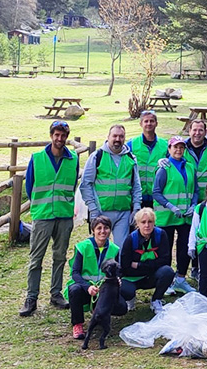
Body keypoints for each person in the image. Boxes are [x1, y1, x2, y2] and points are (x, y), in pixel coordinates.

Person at [20, 120, 79, 317]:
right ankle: (31, 297)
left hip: (63, 215)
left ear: (66, 138)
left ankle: (56, 293)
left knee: (60, 257)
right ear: (51, 135)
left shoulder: (73, 160)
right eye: (56, 135)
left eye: (63, 135)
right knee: (36, 259)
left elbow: (72, 187)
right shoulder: (37, 158)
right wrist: (40, 204)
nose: (59, 138)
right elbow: (29, 187)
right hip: (43, 215)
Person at [66, 215, 126, 339]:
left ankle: (98, 313)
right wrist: (87, 287)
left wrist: (118, 279)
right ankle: (77, 324)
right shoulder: (83, 247)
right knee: (74, 290)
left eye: (106, 228)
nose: (102, 231)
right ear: (93, 230)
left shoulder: (114, 249)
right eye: (99, 228)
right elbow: (75, 273)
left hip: (103, 289)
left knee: (122, 308)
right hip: (84, 287)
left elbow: (118, 271)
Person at [81, 124, 141, 246]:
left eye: (121, 136)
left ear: (125, 139)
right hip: (101, 212)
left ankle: (119, 266)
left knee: (121, 249)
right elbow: (86, 184)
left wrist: (136, 208)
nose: (117, 139)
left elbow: (136, 186)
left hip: (123, 213)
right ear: (108, 137)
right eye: (115, 136)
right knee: (101, 248)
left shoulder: (130, 158)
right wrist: (93, 209)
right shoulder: (97, 156)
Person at [153, 135, 198, 296]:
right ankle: (165, 281)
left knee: (185, 247)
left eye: (181, 147)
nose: (178, 150)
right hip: (167, 217)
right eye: (175, 147)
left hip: (186, 216)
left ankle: (180, 278)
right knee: (165, 250)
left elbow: (196, 190)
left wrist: (193, 204)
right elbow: (156, 192)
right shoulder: (164, 168)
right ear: (169, 149)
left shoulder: (190, 167)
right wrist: (170, 206)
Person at [119, 208, 174, 315]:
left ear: (154, 222)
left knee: (168, 272)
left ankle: (156, 300)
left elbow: (165, 261)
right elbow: (125, 266)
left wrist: (139, 265)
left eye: (150, 222)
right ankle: (130, 298)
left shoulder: (161, 235)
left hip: (151, 275)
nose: (147, 225)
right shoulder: (131, 239)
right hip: (132, 277)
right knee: (126, 291)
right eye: (143, 222)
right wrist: (153, 265)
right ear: (137, 224)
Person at [129, 110, 167, 209]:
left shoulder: (165, 145)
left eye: (152, 121)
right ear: (141, 124)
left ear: (156, 124)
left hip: (158, 196)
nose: (149, 123)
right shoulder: (132, 144)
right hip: (137, 196)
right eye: (146, 121)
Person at [183, 119, 207, 202]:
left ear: (205, 132)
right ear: (189, 131)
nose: (197, 133)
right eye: (194, 130)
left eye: (200, 130)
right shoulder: (181, 148)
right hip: (186, 197)